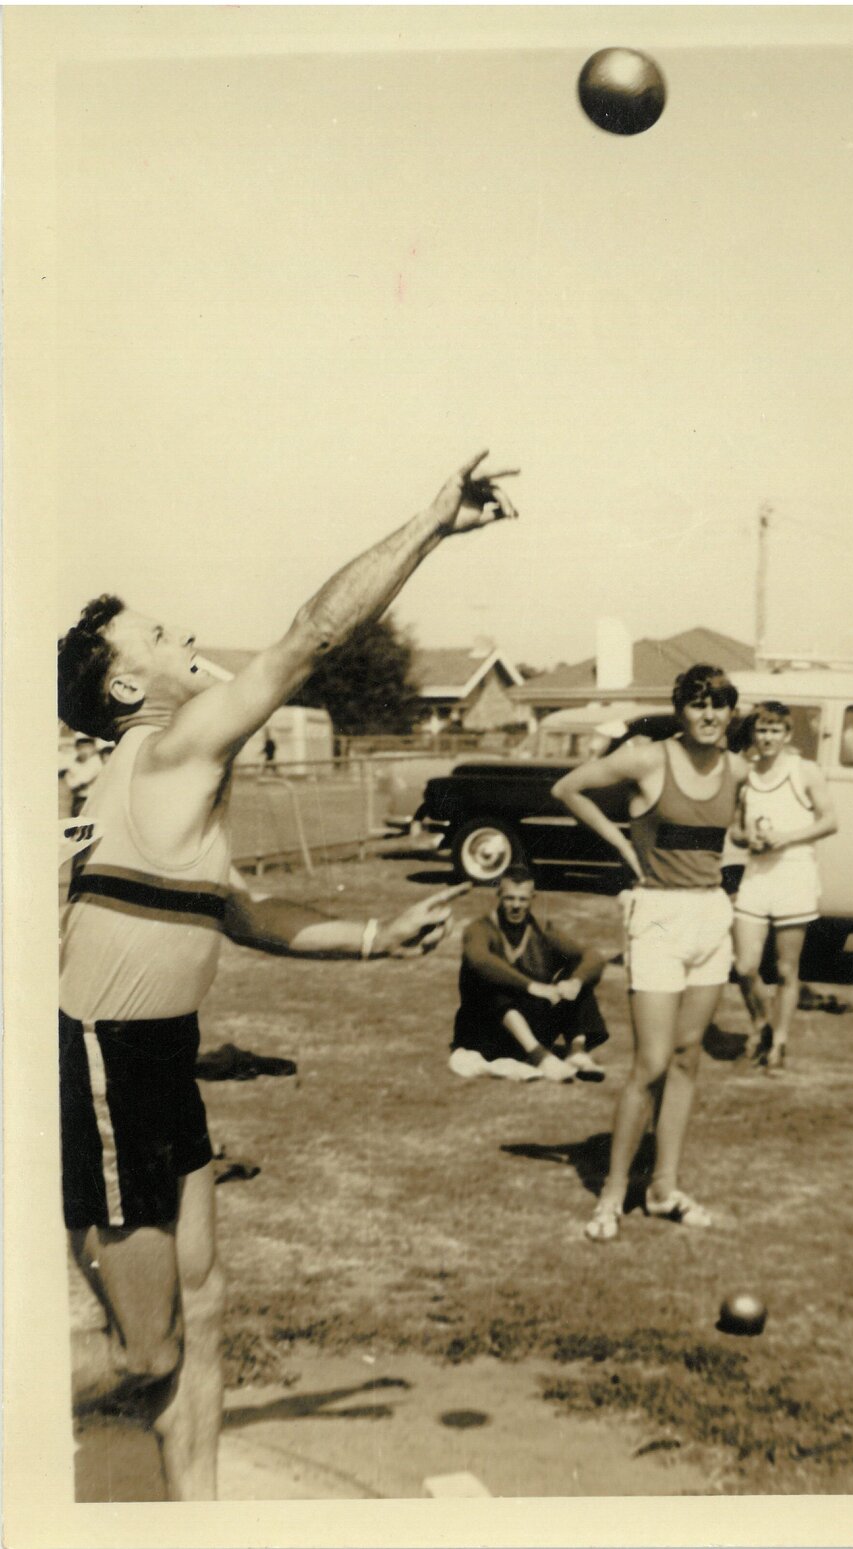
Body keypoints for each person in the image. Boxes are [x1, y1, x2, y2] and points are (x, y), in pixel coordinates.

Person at [56, 450, 518, 1499]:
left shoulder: (174, 789)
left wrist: (368, 936)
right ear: (128, 686)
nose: (187, 642)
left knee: (206, 1308)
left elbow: (237, 910)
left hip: (159, 1057)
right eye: (163, 638)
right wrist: (428, 525)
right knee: (144, 1354)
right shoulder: (169, 746)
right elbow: (313, 635)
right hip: (106, 1059)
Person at [553, 664, 744, 1241]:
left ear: (731, 712)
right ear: (680, 710)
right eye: (697, 704)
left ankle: (664, 1187)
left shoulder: (737, 769)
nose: (709, 715)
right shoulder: (647, 758)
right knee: (652, 1062)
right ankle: (612, 1194)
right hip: (657, 918)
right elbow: (567, 788)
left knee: (688, 1058)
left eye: (719, 705)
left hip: (711, 916)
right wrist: (620, 844)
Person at [730, 701, 838, 1074]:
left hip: (794, 875)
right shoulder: (745, 775)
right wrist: (751, 841)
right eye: (761, 730)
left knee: (786, 969)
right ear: (754, 734)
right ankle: (762, 1023)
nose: (767, 737)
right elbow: (736, 831)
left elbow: (830, 821)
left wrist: (786, 838)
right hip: (757, 876)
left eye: (775, 730)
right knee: (744, 966)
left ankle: (778, 1043)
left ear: (787, 735)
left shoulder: (804, 771)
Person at [450, 865, 609, 1083]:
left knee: (576, 972)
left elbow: (593, 957)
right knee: (485, 977)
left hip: (530, 1026)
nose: (516, 906)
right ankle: (539, 1056)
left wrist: (575, 982)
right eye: (509, 898)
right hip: (485, 1032)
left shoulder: (541, 930)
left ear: (532, 899)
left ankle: (577, 1053)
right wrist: (531, 986)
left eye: (523, 899)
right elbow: (478, 960)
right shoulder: (480, 928)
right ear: (498, 896)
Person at [62, 732, 105, 816]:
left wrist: (74, 778)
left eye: (88, 746)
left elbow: (78, 782)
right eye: (81, 746)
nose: (84, 750)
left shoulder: (96, 762)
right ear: (77, 748)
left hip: (92, 799)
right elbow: (70, 783)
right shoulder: (74, 762)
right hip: (78, 799)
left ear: (94, 747)